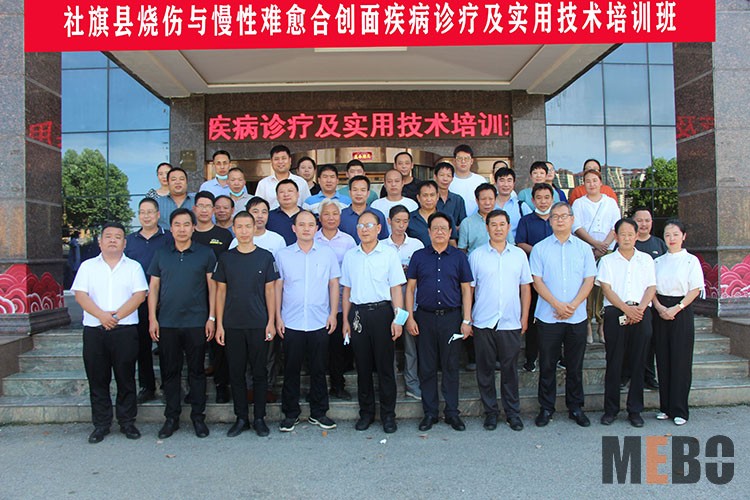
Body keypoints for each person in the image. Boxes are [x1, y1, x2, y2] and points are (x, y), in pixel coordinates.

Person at [72, 222, 148, 444]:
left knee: (126, 378)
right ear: (100, 241)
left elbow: (139, 295)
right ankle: (101, 424)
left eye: (118, 237)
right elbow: (81, 295)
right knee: (98, 379)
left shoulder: (133, 267)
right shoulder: (87, 267)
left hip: (125, 330)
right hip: (95, 331)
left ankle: (127, 422)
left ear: (124, 243)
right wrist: (101, 316)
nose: (113, 240)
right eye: (108, 236)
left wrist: (115, 317)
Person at [148, 208, 217, 439]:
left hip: (196, 322)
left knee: (197, 372)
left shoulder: (205, 254)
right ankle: (172, 418)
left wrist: (212, 318)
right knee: (170, 372)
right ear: (171, 228)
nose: (182, 229)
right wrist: (152, 319)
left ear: (193, 228)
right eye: (177, 224)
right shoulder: (161, 254)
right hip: (167, 322)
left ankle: (198, 417)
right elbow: (153, 288)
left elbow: (213, 288)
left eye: (187, 224)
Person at [530, 202, 596, 428]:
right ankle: (546, 408)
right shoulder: (540, 248)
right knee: (547, 364)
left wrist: (573, 305)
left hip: (576, 317)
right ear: (549, 221)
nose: (559, 220)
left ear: (572, 219)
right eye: (555, 216)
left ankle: (575, 407)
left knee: (575, 365)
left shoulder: (583, 248)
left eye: (564, 216)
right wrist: (557, 305)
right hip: (548, 316)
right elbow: (537, 281)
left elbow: (589, 280)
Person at [405, 213, 473, 432]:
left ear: (451, 231)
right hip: (424, 317)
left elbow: (466, 290)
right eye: (435, 228)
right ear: (429, 231)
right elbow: (410, 289)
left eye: (444, 228)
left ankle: (452, 413)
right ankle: (430, 413)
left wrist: (466, 319)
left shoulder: (459, 257)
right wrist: (410, 317)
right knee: (427, 366)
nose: (440, 232)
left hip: (451, 319)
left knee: (451, 365)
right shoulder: (419, 256)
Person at [214, 211, 278, 437]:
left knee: (260, 372)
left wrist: (271, 321)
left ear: (254, 229)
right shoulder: (226, 258)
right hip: (232, 324)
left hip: (259, 323)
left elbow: (270, 291)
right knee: (237, 373)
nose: (243, 231)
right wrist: (219, 324)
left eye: (247, 226)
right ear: (234, 229)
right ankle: (241, 418)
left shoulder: (265, 257)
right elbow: (220, 292)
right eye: (239, 227)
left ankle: (259, 417)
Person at [341, 211, 406, 433]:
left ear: (379, 228)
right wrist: (345, 320)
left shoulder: (388, 254)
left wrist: (398, 319)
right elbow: (347, 290)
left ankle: (388, 415)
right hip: (358, 314)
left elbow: (396, 288)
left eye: (369, 225)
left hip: (383, 313)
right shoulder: (351, 256)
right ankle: (366, 413)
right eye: (360, 226)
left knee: (386, 368)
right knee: (363, 367)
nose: (364, 229)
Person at [276, 210, 341, 432]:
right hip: (291, 321)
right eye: (301, 224)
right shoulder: (283, 255)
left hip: (319, 320)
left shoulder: (327, 254)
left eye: (310, 224)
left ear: (316, 228)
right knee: (291, 369)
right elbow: (278, 287)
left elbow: (334, 284)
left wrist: (333, 314)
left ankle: (319, 412)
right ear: (294, 228)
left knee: (318, 369)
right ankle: (290, 413)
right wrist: (277, 316)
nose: (306, 228)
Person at [469, 209, 532, 432]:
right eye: (493, 224)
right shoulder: (476, 255)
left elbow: (525, 288)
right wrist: (468, 318)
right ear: (487, 228)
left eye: (502, 224)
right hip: (483, 321)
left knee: (510, 370)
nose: (498, 228)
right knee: (485, 370)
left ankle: (513, 413)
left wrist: (524, 317)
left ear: (508, 227)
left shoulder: (519, 255)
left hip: (510, 321)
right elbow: (469, 290)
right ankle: (491, 412)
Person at [597, 218, 656, 428]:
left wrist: (639, 309)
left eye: (631, 234)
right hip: (616, 312)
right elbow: (606, 289)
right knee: (614, 361)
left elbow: (651, 287)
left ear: (637, 236)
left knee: (639, 362)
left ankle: (635, 410)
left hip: (641, 312)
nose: (627, 238)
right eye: (623, 234)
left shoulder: (646, 260)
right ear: (616, 236)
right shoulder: (607, 261)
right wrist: (626, 308)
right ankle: (610, 410)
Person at [652, 219, 704, 426]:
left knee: (681, 360)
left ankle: (680, 409)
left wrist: (677, 308)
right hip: (660, 309)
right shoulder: (657, 262)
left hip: (681, 310)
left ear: (684, 236)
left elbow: (695, 289)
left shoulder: (691, 261)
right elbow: (651, 288)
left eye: (675, 234)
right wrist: (659, 307)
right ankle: (665, 407)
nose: (671, 238)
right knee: (663, 358)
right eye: (667, 235)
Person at [124, 198, 173, 404]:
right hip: (139, 301)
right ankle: (147, 386)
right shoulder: (130, 241)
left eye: (150, 212)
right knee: (142, 346)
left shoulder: (168, 237)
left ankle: (169, 386)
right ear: (138, 215)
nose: (146, 216)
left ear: (158, 215)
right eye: (142, 212)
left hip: (166, 301)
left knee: (167, 347)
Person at [191, 191, 233, 404]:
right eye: (201, 206)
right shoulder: (188, 234)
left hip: (220, 294)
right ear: (194, 209)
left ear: (214, 210)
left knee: (219, 343)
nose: (205, 210)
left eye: (209, 206)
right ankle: (194, 387)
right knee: (195, 344)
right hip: (193, 296)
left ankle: (221, 385)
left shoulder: (224, 235)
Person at [620, 207, 668, 390]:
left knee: (649, 341)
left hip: (650, 303)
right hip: (627, 304)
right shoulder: (625, 244)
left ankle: (649, 376)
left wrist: (648, 304)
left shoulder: (659, 244)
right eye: (639, 220)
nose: (644, 224)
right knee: (626, 342)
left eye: (647, 220)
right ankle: (625, 375)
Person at [314, 200, 357, 400]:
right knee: (317, 349)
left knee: (338, 347)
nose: (331, 218)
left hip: (341, 303)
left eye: (335, 214)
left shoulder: (348, 241)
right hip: (317, 304)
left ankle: (338, 386)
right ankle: (317, 388)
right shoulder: (312, 239)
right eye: (326, 214)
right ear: (319, 217)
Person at [381, 205, 424, 401]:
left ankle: (412, 383)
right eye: (397, 221)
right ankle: (390, 384)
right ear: (389, 221)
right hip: (386, 302)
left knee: (410, 345)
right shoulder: (381, 245)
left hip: (409, 302)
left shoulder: (416, 245)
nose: (401, 225)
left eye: (405, 221)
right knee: (387, 344)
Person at [573, 169, 621, 344]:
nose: (591, 184)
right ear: (583, 184)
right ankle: (587, 323)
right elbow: (576, 227)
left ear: (600, 182)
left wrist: (604, 246)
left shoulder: (610, 203)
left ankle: (601, 325)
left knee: (604, 289)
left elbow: (616, 226)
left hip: (607, 252)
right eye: (588, 181)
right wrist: (594, 244)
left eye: (595, 180)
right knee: (586, 288)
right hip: (586, 252)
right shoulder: (578, 203)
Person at [515, 183, 554, 373]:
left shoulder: (558, 220)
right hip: (533, 277)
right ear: (532, 200)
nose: (543, 201)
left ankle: (556, 357)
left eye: (547, 197)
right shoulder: (526, 221)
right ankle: (531, 358)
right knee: (532, 318)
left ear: (552, 199)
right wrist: (540, 252)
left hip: (555, 278)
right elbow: (520, 242)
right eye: (539, 198)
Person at [255, 145, 311, 209]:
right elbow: (258, 207)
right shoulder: (263, 184)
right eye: (276, 159)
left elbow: (307, 207)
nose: (280, 162)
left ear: (290, 160)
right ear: (271, 161)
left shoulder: (301, 182)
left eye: (284, 158)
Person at [407, 180, 458, 247]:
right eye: (425, 195)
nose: (429, 199)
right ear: (418, 198)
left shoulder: (447, 217)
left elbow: (452, 243)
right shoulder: (409, 218)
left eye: (432, 195)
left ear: (437, 197)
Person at [339, 175, 388, 243]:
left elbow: (384, 240)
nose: (359, 193)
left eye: (363, 190)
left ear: (368, 193)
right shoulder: (341, 215)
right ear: (349, 193)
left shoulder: (378, 215)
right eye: (355, 190)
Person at [493, 165, 531, 243]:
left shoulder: (521, 206)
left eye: (509, 180)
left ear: (514, 183)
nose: (506, 184)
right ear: (495, 183)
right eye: (502, 180)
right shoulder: (488, 205)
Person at [458, 183, 499, 253]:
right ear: (477, 201)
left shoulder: (502, 221)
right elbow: (462, 250)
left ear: (495, 200)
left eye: (491, 199)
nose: (487, 203)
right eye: (483, 199)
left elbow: (511, 245)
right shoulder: (467, 223)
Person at [449, 145, 486, 216]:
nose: (463, 161)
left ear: (471, 161)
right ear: (454, 161)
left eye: (466, 158)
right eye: (460, 158)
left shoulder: (480, 180)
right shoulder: (448, 180)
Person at [266, 179, 302, 245]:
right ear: (277, 196)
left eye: (290, 191)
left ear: (298, 194)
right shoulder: (268, 216)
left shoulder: (307, 216)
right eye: (282, 192)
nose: (286, 194)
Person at [433, 162, 468, 229]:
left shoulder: (458, 200)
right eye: (442, 175)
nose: (445, 179)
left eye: (448, 176)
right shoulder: (430, 199)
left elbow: (463, 224)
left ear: (452, 178)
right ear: (435, 177)